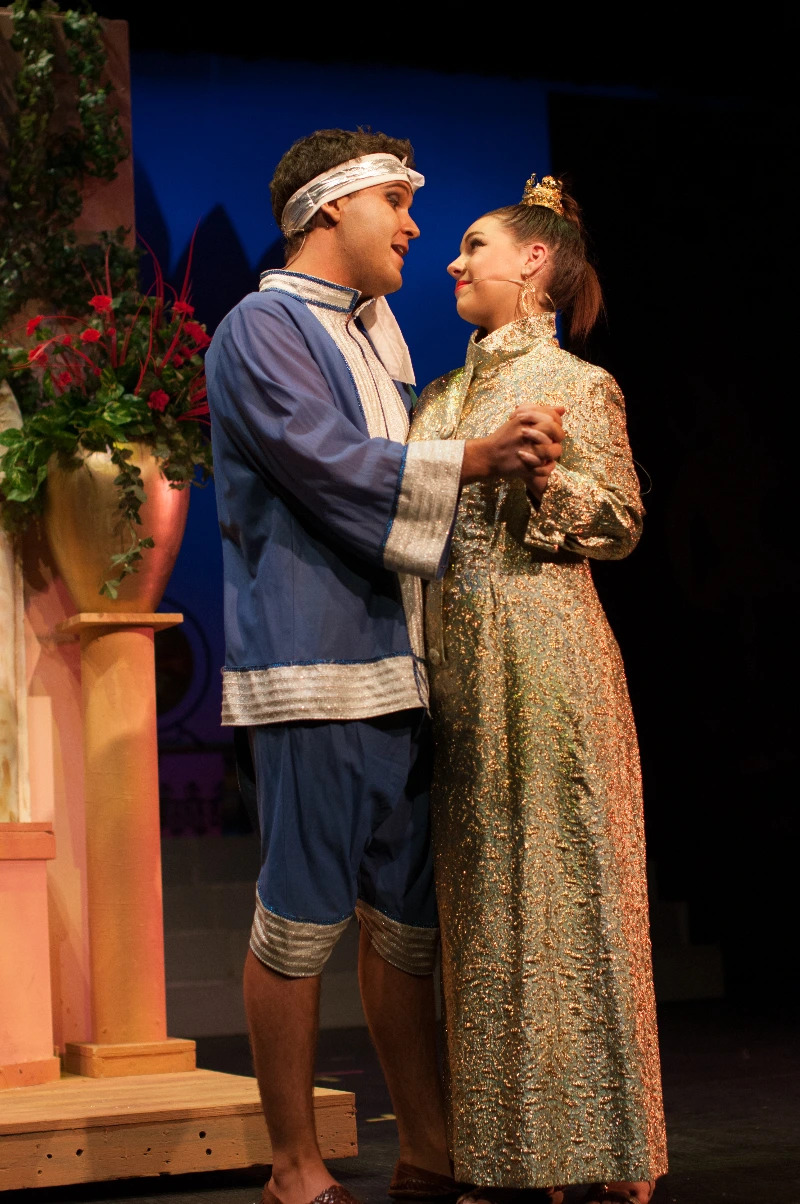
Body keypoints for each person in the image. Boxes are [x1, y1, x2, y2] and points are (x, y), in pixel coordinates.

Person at [205, 130, 565, 1204]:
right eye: (395, 204)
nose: (413, 227)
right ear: (330, 208)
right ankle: (293, 1164)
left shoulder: (375, 334)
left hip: (402, 664)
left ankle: (428, 1146)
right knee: (301, 916)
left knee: (406, 925)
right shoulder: (263, 326)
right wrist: (477, 457)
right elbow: (328, 464)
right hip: (316, 665)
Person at [408, 174, 668, 1204]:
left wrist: (547, 479)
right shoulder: (439, 397)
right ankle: (506, 1157)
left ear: (533, 261)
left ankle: (606, 1150)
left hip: (552, 654)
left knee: (574, 893)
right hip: (460, 663)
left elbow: (623, 521)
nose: (452, 260)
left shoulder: (577, 382)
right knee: (483, 906)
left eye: (474, 243)